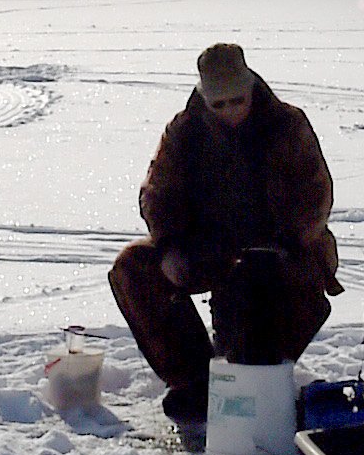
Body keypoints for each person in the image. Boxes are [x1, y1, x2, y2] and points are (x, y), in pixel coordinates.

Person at [109, 42, 343, 429]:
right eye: (219, 105)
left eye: (238, 100)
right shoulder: (183, 131)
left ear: (251, 88)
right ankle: (195, 380)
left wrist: (285, 244)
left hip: (282, 249)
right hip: (208, 247)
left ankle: (255, 370)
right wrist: (168, 247)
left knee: (257, 347)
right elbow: (158, 194)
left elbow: (315, 195)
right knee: (133, 267)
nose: (230, 111)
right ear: (205, 100)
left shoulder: (288, 124)